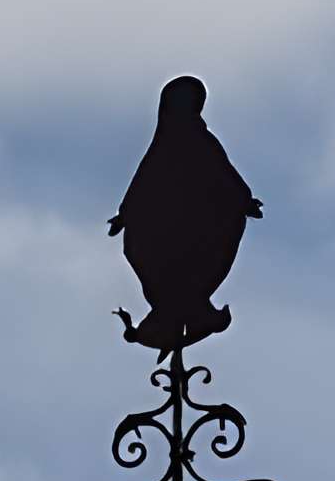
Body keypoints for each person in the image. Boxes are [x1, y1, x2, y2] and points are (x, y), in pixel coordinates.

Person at [109, 75, 262, 350]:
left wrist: (243, 199)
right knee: (140, 253)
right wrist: (125, 213)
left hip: (197, 226)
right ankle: (173, 316)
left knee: (191, 265)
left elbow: (223, 171)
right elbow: (143, 179)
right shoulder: (162, 145)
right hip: (162, 228)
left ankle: (191, 312)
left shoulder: (201, 140)